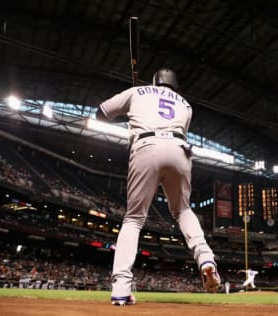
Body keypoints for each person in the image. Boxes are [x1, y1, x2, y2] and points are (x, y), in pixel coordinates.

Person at [96, 68, 221, 306]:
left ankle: (121, 288)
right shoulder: (186, 105)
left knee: (134, 219)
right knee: (183, 210)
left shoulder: (137, 91)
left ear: (154, 81)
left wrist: (130, 115)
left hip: (147, 145)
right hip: (180, 149)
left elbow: (101, 113)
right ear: (176, 86)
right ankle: (206, 259)